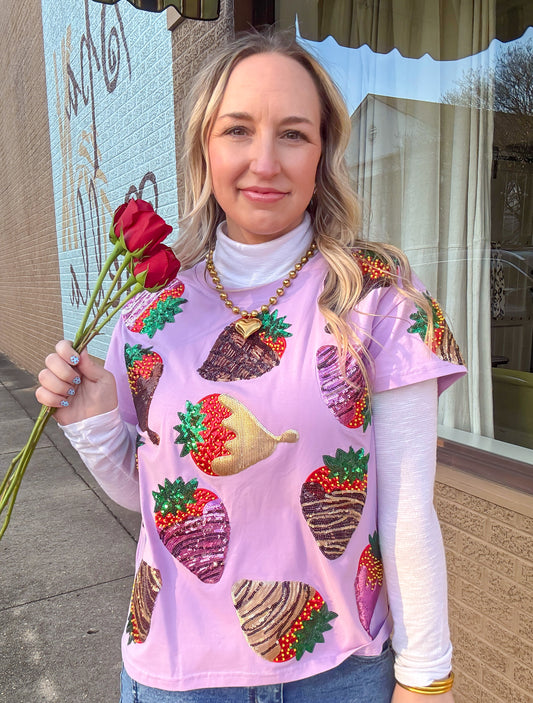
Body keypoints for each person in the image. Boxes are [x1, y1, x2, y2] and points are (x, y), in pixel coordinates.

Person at [36, 30, 465, 703]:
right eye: (238, 130)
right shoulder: (149, 314)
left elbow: (407, 505)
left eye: (292, 134)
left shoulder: (374, 292)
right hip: (176, 675)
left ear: (322, 152)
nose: (264, 160)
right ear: (204, 146)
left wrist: (426, 675)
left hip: (341, 672)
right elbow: (150, 499)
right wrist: (92, 421)